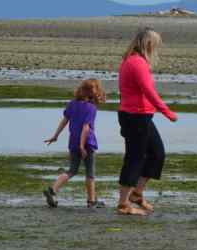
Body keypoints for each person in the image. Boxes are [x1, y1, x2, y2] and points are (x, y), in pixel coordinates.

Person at [116, 28, 177, 216]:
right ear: (148, 44)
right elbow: (149, 92)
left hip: (141, 116)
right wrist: (167, 112)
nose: (156, 48)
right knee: (134, 158)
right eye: (155, 44)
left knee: (157, 154)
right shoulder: (136, 63)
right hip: (135, 116)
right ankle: (123, 204)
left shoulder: (134, 61)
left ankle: (137, 194)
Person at [43, 79, 107, 209]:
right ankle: (91, 201)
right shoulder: (91, 108)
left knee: (72, 170)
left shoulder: (72, 104)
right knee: (90, 173)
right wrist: (82, 146)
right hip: (87, 144)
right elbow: (86, 128)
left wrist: (55, 136)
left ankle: (53, 189)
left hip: (73, 141)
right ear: (94, 93)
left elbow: (64, 121)